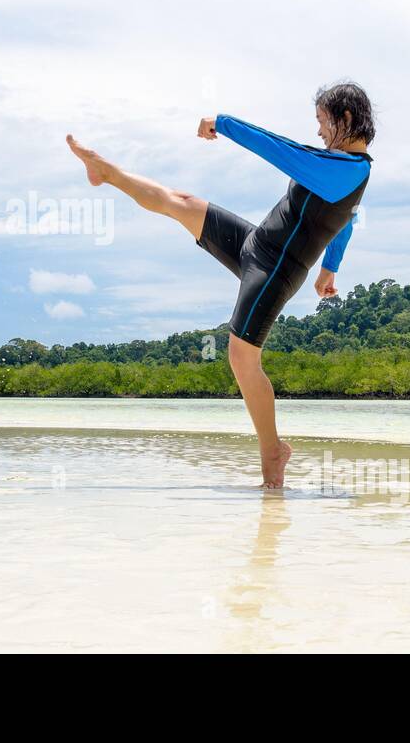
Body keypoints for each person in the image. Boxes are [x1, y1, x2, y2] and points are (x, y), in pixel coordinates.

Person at [67, 84, 375, 487]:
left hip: (276, 269)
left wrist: (224, 124)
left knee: (241, 356)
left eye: (321, 121)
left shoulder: (347, 169)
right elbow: (348, 217)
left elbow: (280, 151)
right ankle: (108, 173)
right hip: (255, 242)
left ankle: (272, 453)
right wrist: (330, 268)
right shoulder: (340, 166)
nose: (318, 131)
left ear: (345, 119)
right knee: (180, 202)